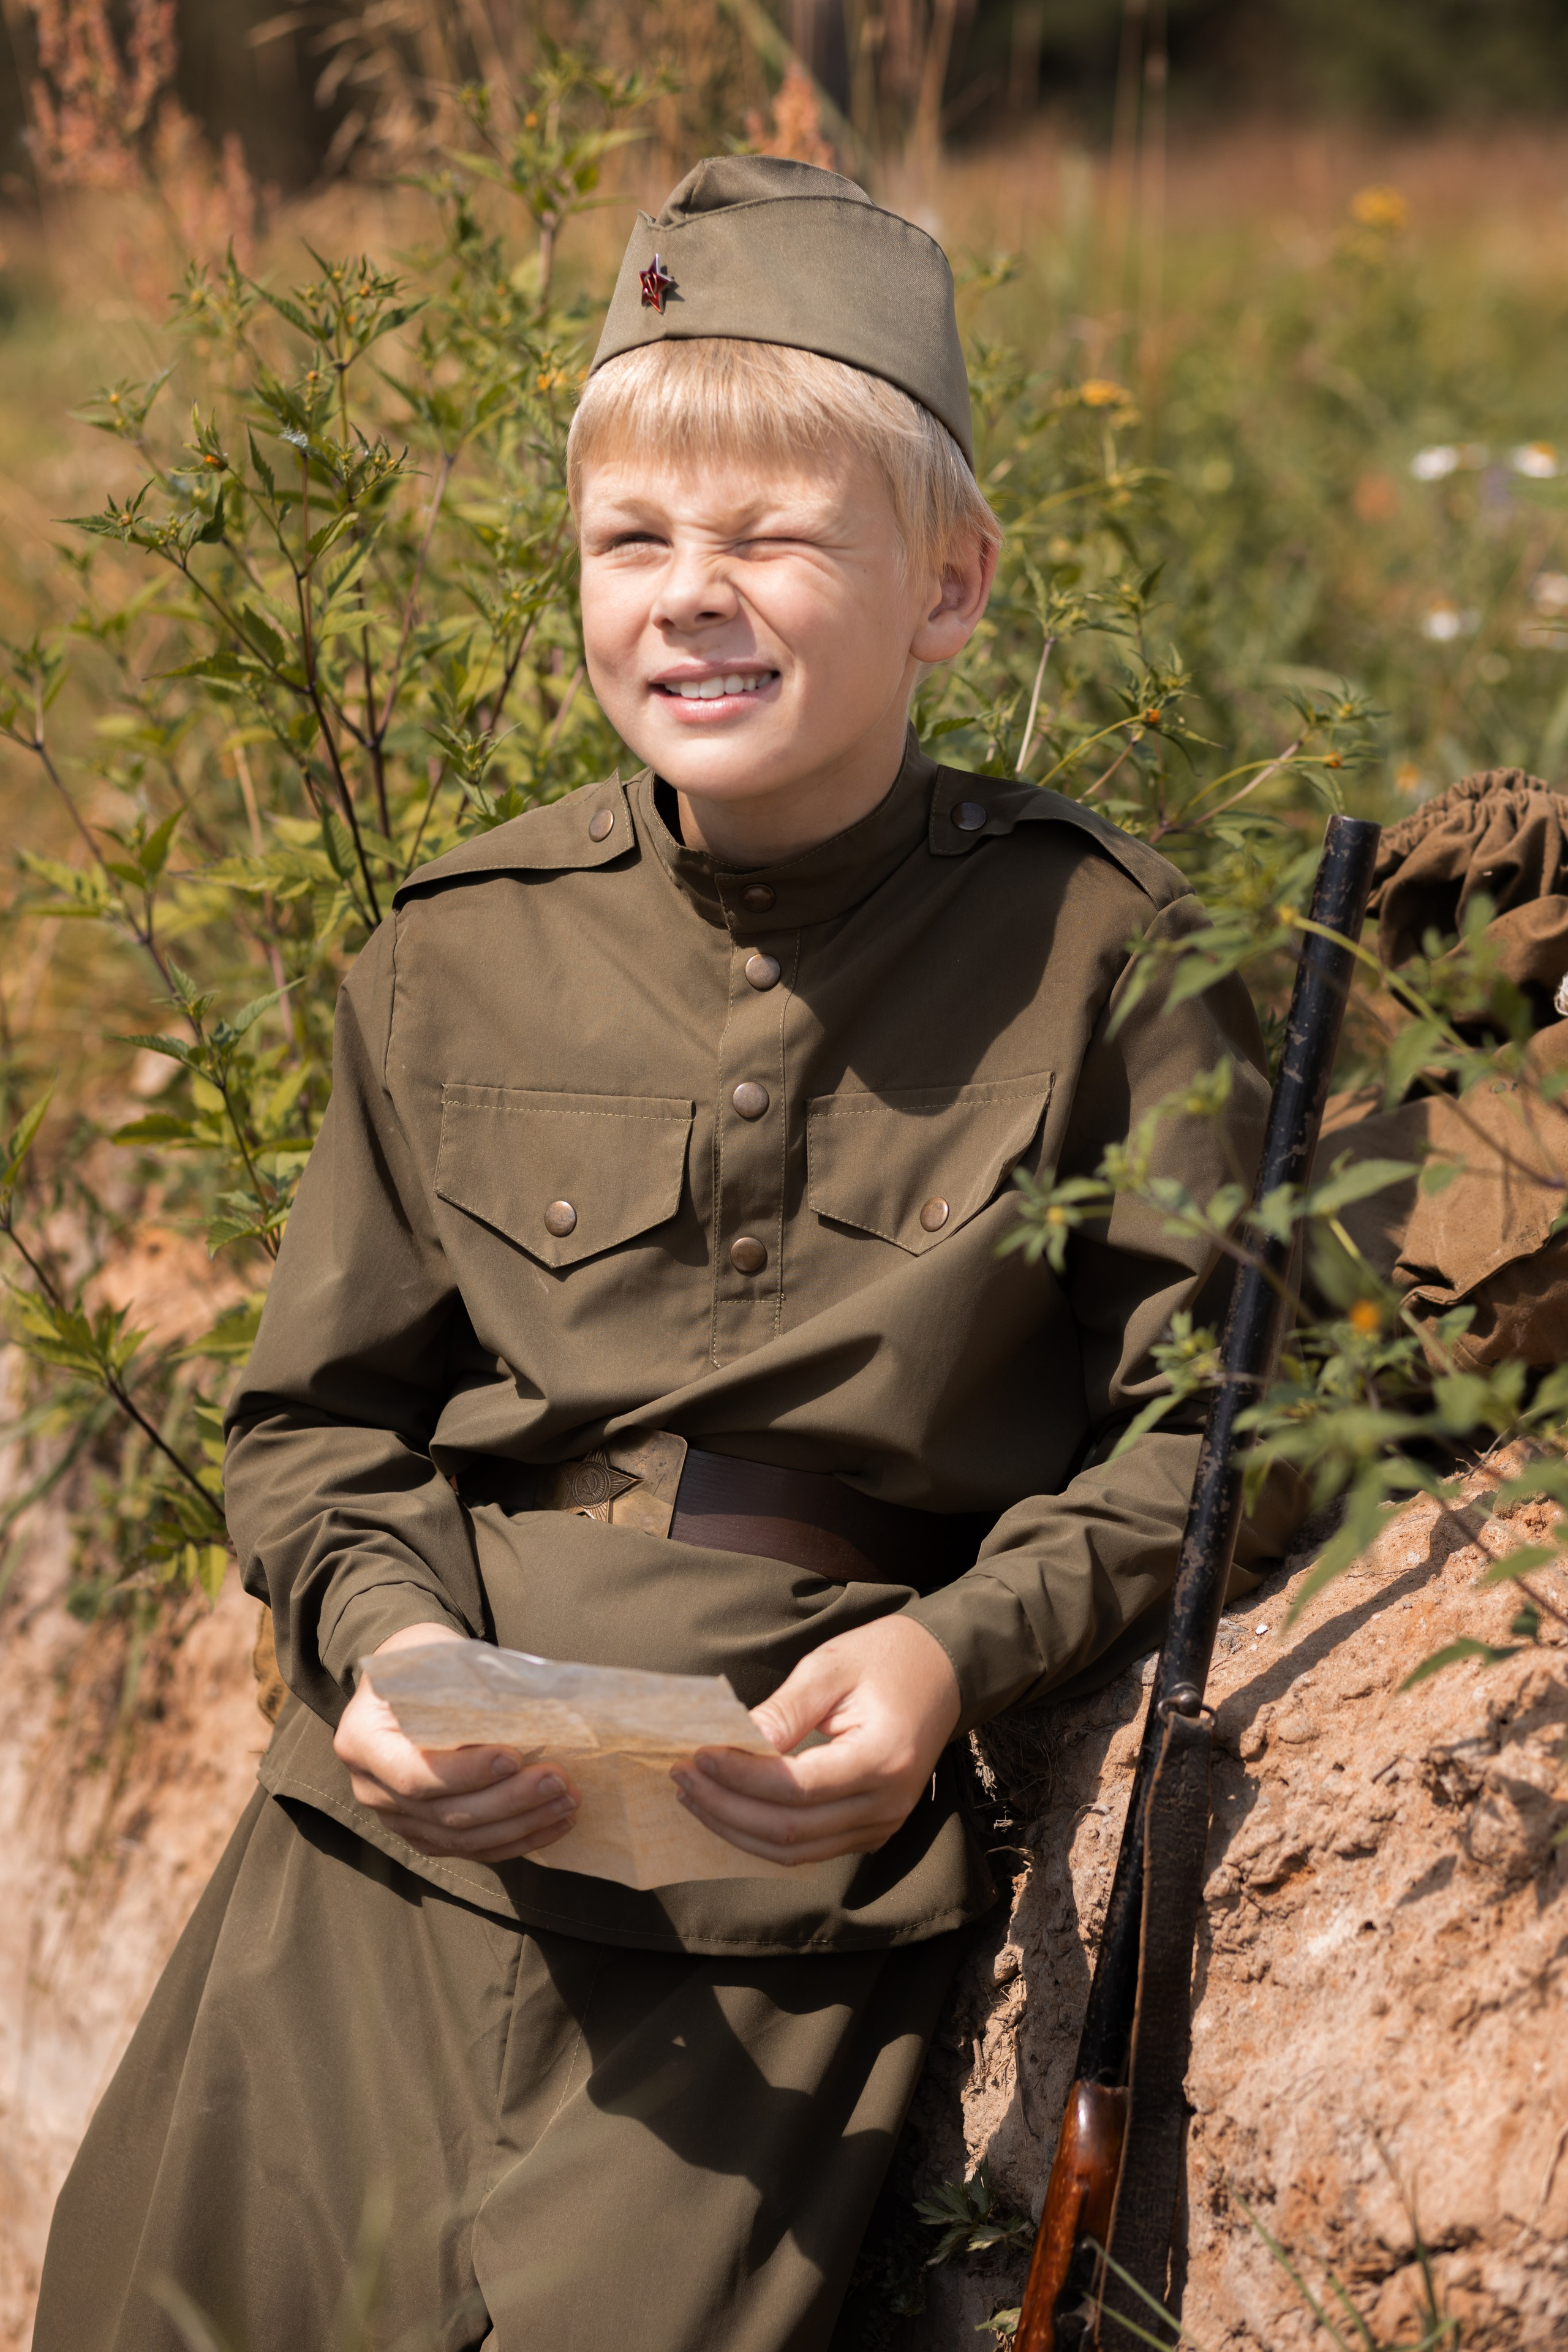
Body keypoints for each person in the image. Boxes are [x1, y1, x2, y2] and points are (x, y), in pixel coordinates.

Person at [35, 155, 1273, 2352]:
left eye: (776, 536)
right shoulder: (453, 953)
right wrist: (394, 1651)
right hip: (384, 1849)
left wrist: (947, 1661)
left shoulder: (1101, 950)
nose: (691, 597)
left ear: (953, 586)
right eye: (634, 542)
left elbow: (1217, 1428)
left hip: (776, 1876)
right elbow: (318, 1422)